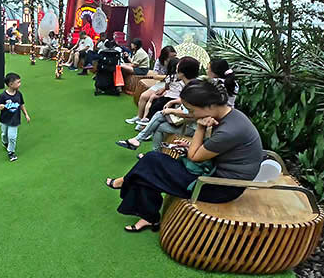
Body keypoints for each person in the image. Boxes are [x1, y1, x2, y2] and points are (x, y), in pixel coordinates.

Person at [104, 78, 264, 233]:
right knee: (150, 165)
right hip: (211, 172)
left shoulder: (229, 130)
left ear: (209, 106)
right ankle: (147, 215)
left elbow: (194, 156)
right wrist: (191, 145)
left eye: (193, 110)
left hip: (218, 186)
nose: (192, 115)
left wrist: (200, 128)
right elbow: (217, 147)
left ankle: (129, 186)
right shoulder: (231, 115)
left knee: (150, 162)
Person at [116, 57, 200, 150]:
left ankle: (139, 140)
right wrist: (173, 102)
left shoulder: (193, 89)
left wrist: (171, 110)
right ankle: (145, 146)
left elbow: (192, 114)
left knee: (160, 115)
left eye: (177, 67)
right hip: (186, 122)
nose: (175, 69)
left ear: (182, 72)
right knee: (159, 121)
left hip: (192, 127)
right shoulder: (192, 85)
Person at [127, 45, 177, 125]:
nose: (173, 58)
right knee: (143, 96)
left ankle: (146, 119)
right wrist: (167, 77)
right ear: (165, 56)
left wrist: (167, 78)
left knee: (152, 98)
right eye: (171, 56)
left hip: (171, 84)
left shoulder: (177, 63)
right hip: (161, 83)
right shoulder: (159, 61)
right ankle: (139, 117)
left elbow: (176, 77)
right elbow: (155, 76)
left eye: (174, 55)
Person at [0, 72, 31, 162]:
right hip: (4, 120)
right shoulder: (3, 96)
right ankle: (5, 142)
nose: (20, 84)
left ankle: (11, 152)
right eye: (18, 82)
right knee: (4, 134)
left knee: (12, 137)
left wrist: (26, 114)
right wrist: (0, 107)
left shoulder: (19, 94)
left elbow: (21, 105)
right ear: (11, 84)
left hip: (14, 120)